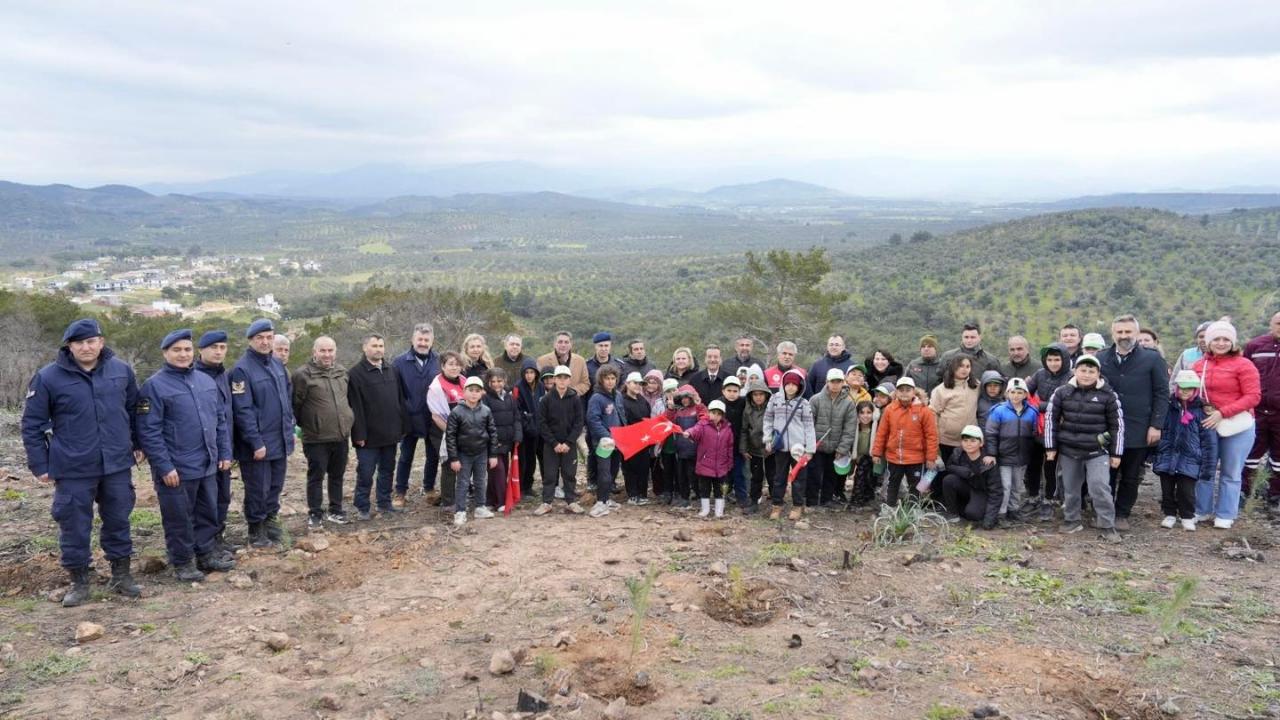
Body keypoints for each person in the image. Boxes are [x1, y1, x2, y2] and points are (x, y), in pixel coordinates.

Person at [22, 319, 143, 606]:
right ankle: (79, 582)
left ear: (101, 342)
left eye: (92, 341)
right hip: (73, 466)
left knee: (118, 519)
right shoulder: (48, 377)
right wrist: (40, 465)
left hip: (115, 462)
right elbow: (32, 424)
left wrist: (137, 444)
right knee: (74, 524)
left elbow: (134, 411)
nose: (86, 347)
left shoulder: (121, 371)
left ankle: (121, 575)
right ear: (70, 346)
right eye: (79, 343)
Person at [137, 329, 235, 581]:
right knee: (178, 518)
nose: (183, 354)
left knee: (207, 512)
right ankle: (182, 562)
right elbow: (149, 431)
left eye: (187, 350)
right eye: (177, 350)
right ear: (165, 353)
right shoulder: (154, 386)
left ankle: (205, 554)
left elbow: (220, 420)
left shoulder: (206, 382)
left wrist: (224, 452)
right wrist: (164, 467)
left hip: (207, 463)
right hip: (176, 468)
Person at [1098, 314, 1170, 531]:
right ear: (1113, 334)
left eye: (1128, 332)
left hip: (1138, 427)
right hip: (1105, 427)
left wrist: (1156, 425)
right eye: (1119, 332)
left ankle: (1122, 514)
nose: (1123, 336)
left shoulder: (1152, 358)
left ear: (1137, 333)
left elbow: (1161, 393)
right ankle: (1105, 511)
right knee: (1104, 472)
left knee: (1130, 474)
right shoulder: (1101, 358)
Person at [1044, 355, 1123, 543]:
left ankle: (1107, 525)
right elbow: (1050, 420)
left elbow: (1117, 426)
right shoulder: (1062, 392)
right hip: (1069, 450)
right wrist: (1050, 447)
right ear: (1075, 371)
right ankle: (1072, 520)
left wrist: (1116, 452)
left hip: (1097, 451)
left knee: (1100, 486)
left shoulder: (1108, 395)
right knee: (1070, 488)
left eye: (1091, 371)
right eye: (1083, 370)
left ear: (1098, 373)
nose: (1087, 375)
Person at [231, 318, 295, 549]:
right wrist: (255, 442)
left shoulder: (277, 365)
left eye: (269, 337)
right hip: (257, 444)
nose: (265, 342)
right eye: (260, 338)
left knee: (275, 486)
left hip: (279, 439)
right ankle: (256, 531)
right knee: (258, 488)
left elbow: (286, 401)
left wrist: (290, 430)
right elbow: (243, 411)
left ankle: (270, 523)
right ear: (251, 340)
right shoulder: (241, 370)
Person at [1192, 320, 1262, 528]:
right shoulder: (1198, 366)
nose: (1221, 343)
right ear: (1208, 341)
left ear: (1233, 342)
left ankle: (1226, 514)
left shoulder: (1244, 365)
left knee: (1231, 471)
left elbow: (1253, 396)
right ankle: (1201, 510)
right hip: (1208, 424)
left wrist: (1222, 412)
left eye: (1226, 339)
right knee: (1205, 469)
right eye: (1216, 339)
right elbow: (1192, 393)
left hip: (1238, 426)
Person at [291, 336, 353, 529]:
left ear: (335, 352)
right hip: (316, 438)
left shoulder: (342, 372)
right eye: (323, 351)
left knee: (337, 475)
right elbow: (296, 405)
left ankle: (335, 510)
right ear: (314, 352)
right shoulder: (302, 375)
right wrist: (311, 424)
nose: (327, 355)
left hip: (341, 435)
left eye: (330, 351)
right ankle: (315, 513)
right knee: (316, 476)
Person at [348, 333, 408, 520]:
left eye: (381, 346)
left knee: (387, 470)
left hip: (390, 433)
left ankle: (384, 503)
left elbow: (400, 399)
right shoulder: (355, 373)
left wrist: (402, 426)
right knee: (366, 472)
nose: (378, 349)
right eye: (374, 345)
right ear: (365, 348)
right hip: (368, 436)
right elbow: (355, 406)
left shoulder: (392, 370)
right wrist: (359, 434)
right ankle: (363, 506)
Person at [1153, 371, 1218, 531]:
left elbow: (1209, 442)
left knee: (1186, 491)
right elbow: (1158, 429)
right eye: (1182, 388)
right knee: (1167, 489)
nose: (1185, 391)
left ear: (1195, 390)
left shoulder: (1202, 412)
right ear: (1176, 387)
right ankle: (1169, 514)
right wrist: (1154, 453)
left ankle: (1187, 515)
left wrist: (1208, 467)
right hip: (1167, 455)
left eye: (1189, 388)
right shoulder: (1168, 407)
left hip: (1190, 459)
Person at [195, 330, 236, 557]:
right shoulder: (195, 376)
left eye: (222, 347)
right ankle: (206, 544)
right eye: (213, 347)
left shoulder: (223, 375)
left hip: (224, 447)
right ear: (201, 350)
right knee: (207, 502)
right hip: (205, 451)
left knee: (222, 496)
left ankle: (218, 539)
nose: (218, 351)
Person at [871, 377, 939, 506]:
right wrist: (876, 452)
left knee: (916, 485)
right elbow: (882, 433)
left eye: (908, 390)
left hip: (916, 458)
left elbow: (931, 436)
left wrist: (931, 458)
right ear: (896, 392)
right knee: (893, 483)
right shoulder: (890, 410)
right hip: (894, 456)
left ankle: (912, 511)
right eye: (901, 390)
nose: (904, 393)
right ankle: (889, 508)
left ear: (914, 392)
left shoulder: (924, 411)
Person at [393, 323, 441, 504]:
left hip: (433, 417)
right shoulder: (399, 362)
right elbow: (395, 392)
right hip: (409, 418)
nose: (422, 343)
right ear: (412, 340)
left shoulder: (439, 361)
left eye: (426, 340)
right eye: (419, 339)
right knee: (406, 456)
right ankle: (400, 491)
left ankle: (429, 488)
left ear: (432, 341)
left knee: (433, 456)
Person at [763, 369, 816, 521]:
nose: (791, 387)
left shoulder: (804, 403)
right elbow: (767, 420)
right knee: (779, 476)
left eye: (794, 384)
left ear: (799, 386)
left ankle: (797, 505)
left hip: (798, 448)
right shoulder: (774, 399)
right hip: (780, 446)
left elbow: (809, 427)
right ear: (783, 384)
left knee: (799, 478)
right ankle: (776, 505)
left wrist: (810, 449)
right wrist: (767, 439)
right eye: (788, 384)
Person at [1026, 343, 1072, 519]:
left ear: (1064, 360)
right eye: (1050, 359)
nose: (1053, 363)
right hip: (1037, 428)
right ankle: (1032, 496)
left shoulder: (1071, 376)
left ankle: (1049, 499)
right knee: (1033, 463)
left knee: (1051, 466)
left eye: (1057, 359)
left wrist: (1039, 405)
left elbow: (1066, 403)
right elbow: (1025, 393)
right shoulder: (1039, 374)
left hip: (1058, 428)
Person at [983, 377, 1038, 522]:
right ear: (1007, 393)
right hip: (1004, 455)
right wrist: (992, 453)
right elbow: (991, 433)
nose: (1016, 396)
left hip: (1022, 456)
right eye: (1013, 392)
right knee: (1005, 485)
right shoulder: (998, 411)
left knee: (1017, 486)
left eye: (1020, 392)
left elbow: (1034, 433)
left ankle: (1014, 509)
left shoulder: (1032, 412)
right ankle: (1001, 513)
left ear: (1026, 394)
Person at [446, 377, 500, 526]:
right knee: (463, 482)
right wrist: (454, 458)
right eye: (470, 390)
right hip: (463, 454)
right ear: (464, 392)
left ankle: (480, 507)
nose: (474, 394)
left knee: (481, 480)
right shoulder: (456, 412)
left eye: (477, 391)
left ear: (482, 393)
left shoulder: (486, 411)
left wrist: (493, 454)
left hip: (481, 452)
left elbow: (493, 433)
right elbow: (450, 436)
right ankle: (460, 511)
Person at [535, 366, 585, 516]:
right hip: (551, 445)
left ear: (569, 380)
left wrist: (569, 443)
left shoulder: (575, 399)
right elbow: (542, 423)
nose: (562, 381)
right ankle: (547, 502)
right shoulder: (546, 399)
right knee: (549, 475)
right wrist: (554, 443)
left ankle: (571, 502)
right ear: (554, 379)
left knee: (569, 474)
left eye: (565, 378)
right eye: (559, 378)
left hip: (569, 445)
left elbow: (578, 422)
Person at [1243, 311, 1280, 510]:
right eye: (1278, 323)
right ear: (1271, 324)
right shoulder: (1254, 346)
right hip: (1255, 412)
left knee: (1278, 459)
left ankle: (1274, 495)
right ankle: (1243, 492)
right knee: (1250, 454)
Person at [808, 368, 857, 507]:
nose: (835, 384)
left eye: (839, 381)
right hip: (817, 446)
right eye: (832, 381)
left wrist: (842, 448)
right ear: (827, 382)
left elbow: (849, 428)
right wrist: (810, 445)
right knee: (814, 474)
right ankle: (811, 500)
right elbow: (809, 424)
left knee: (831, 475)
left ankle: (826, 499)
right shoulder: (815, 399)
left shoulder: (848, 403)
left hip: (836, 447)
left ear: (843, 382)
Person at [940, 425, 1003, 528]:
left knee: (973, 514)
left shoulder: (988, 461)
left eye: (973, 441)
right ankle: (952, 512)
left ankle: (971, 510)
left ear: (981, 443)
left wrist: (989, 519)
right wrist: (962, 471)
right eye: (965, 440)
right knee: (949, 480)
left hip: (981, 491)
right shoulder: (958, 453)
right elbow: (949, 466)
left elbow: (996, 492)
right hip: (966, 487)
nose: (968, 444)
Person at [427, 351, 467, 508]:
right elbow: (436, 416)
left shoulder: (464, 381)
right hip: (442, 431)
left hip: (463, 430)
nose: (454, 367)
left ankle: (461, 496)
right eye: (450, 364)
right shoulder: (436, 386)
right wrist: (451, 433)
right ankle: (448, 502)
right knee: (449, 463)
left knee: (463, 463)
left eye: (457, 364)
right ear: (443, 366)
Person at [684, 399, 736, 518]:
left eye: (719, 414)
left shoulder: (727, 429)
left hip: (722, 466)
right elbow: (695, 431)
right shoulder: (702, 425)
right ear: (709, 413)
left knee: (721, 489)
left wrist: (729, 463)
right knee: (704, 489)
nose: (716, 416)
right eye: (713, 413)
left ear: (722, 415)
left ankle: (719, 510)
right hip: (705, 465)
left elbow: (730, 447)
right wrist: (689, 433)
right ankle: (705, 509)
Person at [586, 365, 625, 517]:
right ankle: (600, 502)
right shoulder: (596, 398)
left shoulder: (619, 396)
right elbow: (593, 420)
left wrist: (624, 433)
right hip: (603, 442)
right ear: (601, 380)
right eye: (606, 378)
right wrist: (607, 436)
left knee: (614, 471)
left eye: (612, 378)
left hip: (618, 441)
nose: (610, 382)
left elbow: (622, 416)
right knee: (604, 473)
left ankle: (607, 499)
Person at [482, 367, 522, 511]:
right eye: (493, 381)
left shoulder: (510, 398)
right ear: (488, 382)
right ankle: (500, 502)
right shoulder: (485, 399)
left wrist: (517, 435)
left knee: (499, 472)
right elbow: (486, 422)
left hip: (508, 441)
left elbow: (517, 417)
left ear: (504, 381)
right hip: (493, 442)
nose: (497, 384)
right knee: (498, 471)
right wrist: (492, 440)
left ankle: (489, 500)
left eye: (499, 381)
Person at [665, 384, 709, 509]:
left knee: (694, 475)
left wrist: (699, 405)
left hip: (695, 450)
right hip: (681, 450)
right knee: (681, 475)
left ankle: (700, 496)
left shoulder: (698, 409)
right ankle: (685, 497)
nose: (684, 400)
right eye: (682, 397)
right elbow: (669, 421)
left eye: (687, 397)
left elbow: (704, 420)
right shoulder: (679, 411)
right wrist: (670, 408)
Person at [930, 355, 979, 461]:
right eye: (961, 366)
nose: (964, 369)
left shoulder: (976, 386)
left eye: (968, 366)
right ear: (953, 367)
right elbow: (932, 413)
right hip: (946, 440)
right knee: (946, 473)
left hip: (969, 440)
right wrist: (935, 437)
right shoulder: (941, 390)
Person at [618, 371, 654, 504]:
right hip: (628, 440)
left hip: (643, 440)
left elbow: (648, 419)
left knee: (643, 468)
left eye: (640, 384)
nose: (638, 386)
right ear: (627, 383)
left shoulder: (643, 401)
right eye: (635, 383)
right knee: (630, 468)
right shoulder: (621, 400)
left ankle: (643, 494)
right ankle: (632, 495)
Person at [739, 380, 774, 513]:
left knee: (773, 476)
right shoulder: (747, 411)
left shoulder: (772, 408)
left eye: (761, 394)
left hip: (771, 449)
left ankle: (776, 503)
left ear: (766, 395)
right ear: (750, 396)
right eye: (755, 394)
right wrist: (744, 448)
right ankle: (754, 501)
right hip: (754, 449)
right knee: (756, 476)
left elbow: (778, 428)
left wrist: (774, 445)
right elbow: (744, 430)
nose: (758, 397)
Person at [514, 359, 544, 497]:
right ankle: (520, 488)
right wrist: (528, 423)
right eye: (526, 372)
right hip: (524, 431)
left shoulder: (540, 386)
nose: (529, 375)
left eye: (532, 372)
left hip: (538, 431)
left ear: (536, 373)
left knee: (532, 461)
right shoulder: (518, 387)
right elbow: (517, 410)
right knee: (523, 461)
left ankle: (528, 486)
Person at [718, 375, 749, 508]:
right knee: (724, 474)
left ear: (740, 391)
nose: (732, 394)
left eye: (735, 391)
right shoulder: (719, 404)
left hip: (738, 446)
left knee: (739, 473)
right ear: (723, 391)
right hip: (722, 447)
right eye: (729, 390)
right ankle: (723, 496)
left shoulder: (744, 403)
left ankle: (742, 496)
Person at [847, 401, 880, 508]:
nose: (865, 416)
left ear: (873, 414)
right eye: (862, 413)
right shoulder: (854, 428)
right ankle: (857, 498)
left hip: (871, 457)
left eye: (869, 412)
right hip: (857, 456)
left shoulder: (875, 428)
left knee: (869, 477)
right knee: (859, 475)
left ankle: (865, 496)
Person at [536, 332, 590, 396]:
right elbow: (538, 384)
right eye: (560, 342)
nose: (563, 345)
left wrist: (570, 392)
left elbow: (585, 383)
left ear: (571, 344)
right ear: (554, 344)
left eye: (566, 342)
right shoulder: (542, 361)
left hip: (574, 401)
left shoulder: (580, 361)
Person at [1169, 321, 1211, 390]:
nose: (1204, 340)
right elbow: (1174, 380)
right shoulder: (1187, 354)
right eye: (1201, 337)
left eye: (1207, 336)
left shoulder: (1222, 356)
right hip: (1189, 399)